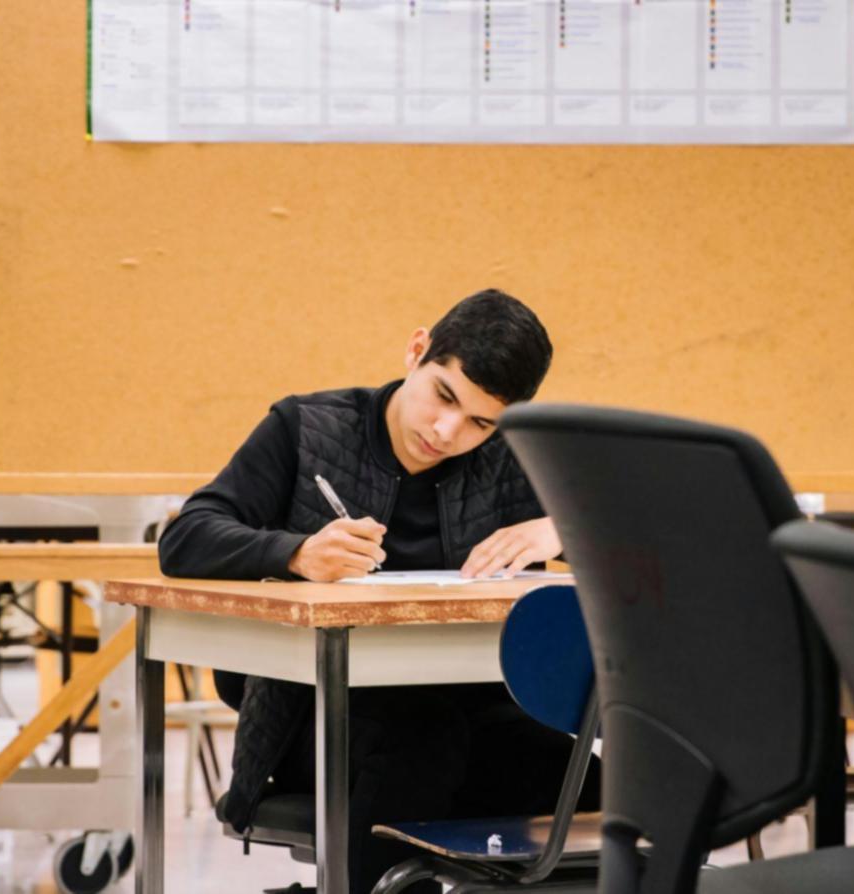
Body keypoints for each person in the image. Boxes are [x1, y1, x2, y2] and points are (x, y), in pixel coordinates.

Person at [158, 288, 598, 893]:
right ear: (417, 351)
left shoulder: (511, 458)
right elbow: (186, 538)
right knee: (421, 744)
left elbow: (649, 541)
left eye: (480, 422)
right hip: (313, 720)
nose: (446, 431)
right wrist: (295, 552)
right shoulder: (306, 427)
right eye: (443, 395)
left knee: (593, 791)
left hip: (473, 716)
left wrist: (560, 526)